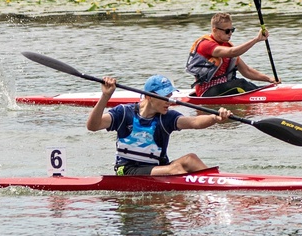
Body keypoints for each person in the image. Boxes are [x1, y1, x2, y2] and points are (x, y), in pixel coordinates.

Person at [86, 74, 232, 175]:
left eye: (170, 97)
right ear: (149, 96)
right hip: (126, 170)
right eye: (165, 97)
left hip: (157, 168)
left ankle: (219, 183)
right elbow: (93, 126)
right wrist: (106, 96)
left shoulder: (166, 117)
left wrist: (215, 118)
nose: (169, 102)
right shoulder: (123, 113)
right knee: (175, 169)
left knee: (191, 159)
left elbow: (194, 122)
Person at [186, 12, 279, 97]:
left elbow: (246, 71)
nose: (230, 33)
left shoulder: (227, 45)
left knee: (255, 87)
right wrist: (256, 40)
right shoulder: (205, 45)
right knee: (241, 83)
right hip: (206, 91)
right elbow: (233, 52)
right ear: (215, 30)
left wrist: (269, 79)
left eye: (232, 30)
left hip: (226, 88)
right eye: (227, 31)